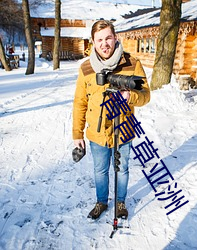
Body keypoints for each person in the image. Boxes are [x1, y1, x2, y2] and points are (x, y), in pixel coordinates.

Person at [72, 20, 150, 220]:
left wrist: (130, 96)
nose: (104, 43)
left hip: (123, 129)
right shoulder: (86, 68)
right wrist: (77, 134)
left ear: (115, 38)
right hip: (97, 132)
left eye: (108, 38)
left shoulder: (132, 63)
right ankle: (101, 202)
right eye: (100, 40)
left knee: (122, 168)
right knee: (100, 170)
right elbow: (80, 102)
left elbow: (146, 95)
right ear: (93, 42)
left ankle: (121, 202)